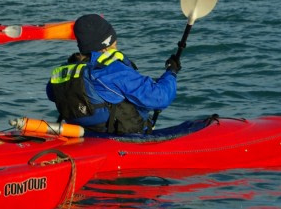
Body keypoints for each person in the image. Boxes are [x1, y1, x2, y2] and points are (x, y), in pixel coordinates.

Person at [46, 14, 181, 135]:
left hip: (83, 137)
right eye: (114, 42)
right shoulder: (112, 70)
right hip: (121, 140)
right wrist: (171, 72)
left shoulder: (64, 71)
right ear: (106, 45)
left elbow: (51, 94)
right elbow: (159, 97)